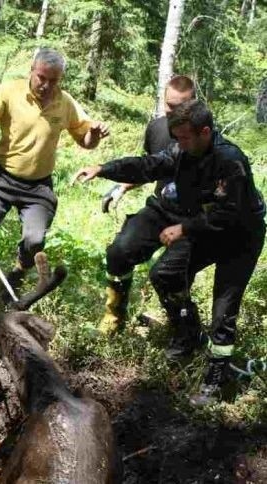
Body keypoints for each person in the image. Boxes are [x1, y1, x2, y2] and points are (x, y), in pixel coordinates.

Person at [72, 100, 265, 405]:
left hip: (239, 237)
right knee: (164, 274)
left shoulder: (230, 161)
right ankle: (188, 336)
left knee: (224, 308)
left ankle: (216, 380)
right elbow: (148, 166)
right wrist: (103, 169)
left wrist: (184, 230)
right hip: (204, 227)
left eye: (184, 138)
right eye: (176, 138)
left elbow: (228, 214)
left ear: (204, 132)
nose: (178, 144)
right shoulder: (183, 151)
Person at [0, 48, 109, 307]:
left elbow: (84, 139)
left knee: (35, 240)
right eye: (41, 78)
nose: (46, 85)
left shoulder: (65, 102)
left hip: (38, 186)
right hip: (1, 178)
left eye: (54, 80)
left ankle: (16, 274)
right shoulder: (10, 91)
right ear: (32, 70)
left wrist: (94, 135)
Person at [98, 75, 196, 334]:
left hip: (193, 218)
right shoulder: (156, 128)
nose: (175, 113)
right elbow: (149, 166)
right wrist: (121, 186)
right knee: (119, 251)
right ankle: (114, 315)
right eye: (170, 106)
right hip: (161, 209)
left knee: (169, 274)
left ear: (194, 103)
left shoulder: (203, 134)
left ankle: (183, 332)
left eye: (182, 107)